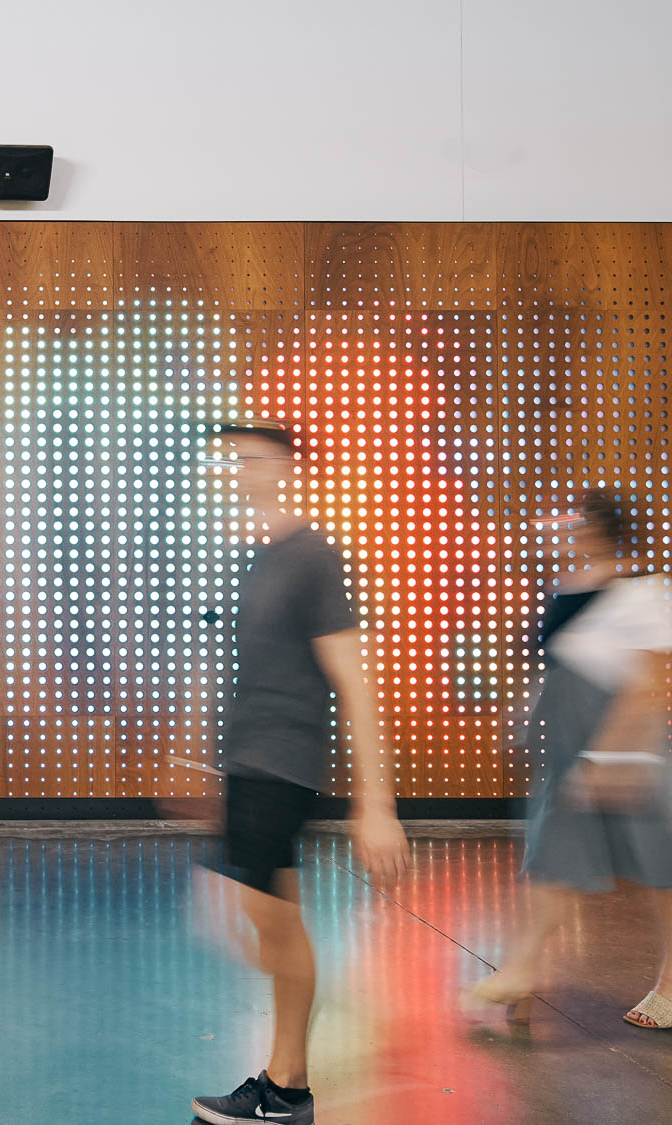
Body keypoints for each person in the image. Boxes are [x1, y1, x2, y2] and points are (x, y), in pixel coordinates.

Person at [189, 419, 410, 1125]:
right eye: (228, 461)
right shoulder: (253, 556)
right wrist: (198, 762)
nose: (235, 471)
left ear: (285, 466)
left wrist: (377, 802)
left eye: (249, 458)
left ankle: (287, 1087)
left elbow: (354, 677)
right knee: (268, 921)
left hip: (282, 761)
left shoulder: (313, 556)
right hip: (248, 760)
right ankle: (286, 1084)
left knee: (272, 925)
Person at [463, 490, 672, 1029]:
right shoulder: (569, 587)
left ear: (599, 529)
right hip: (572, 750)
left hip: (638, 751)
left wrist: (616, 756)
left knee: (667, 865)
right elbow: (555, 666)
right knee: (553, 857)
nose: (558, 530)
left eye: (571, 521)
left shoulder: (649, 592)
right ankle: (521, 968)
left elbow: (659, 684)